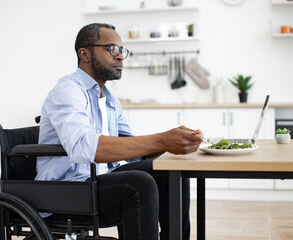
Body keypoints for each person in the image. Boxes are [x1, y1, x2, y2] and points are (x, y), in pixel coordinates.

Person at [35, 22, 203, 240]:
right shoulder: (67, 91)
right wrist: (162, 140)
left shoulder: (110, 99)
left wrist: (172, 143)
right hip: (68, 190)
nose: (121, 56)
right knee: (139, 184)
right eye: (112, 49)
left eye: (122, 51)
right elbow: (82, 146)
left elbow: (133, 151)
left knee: (172, 173)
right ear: (84, 54)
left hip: (100, 179)